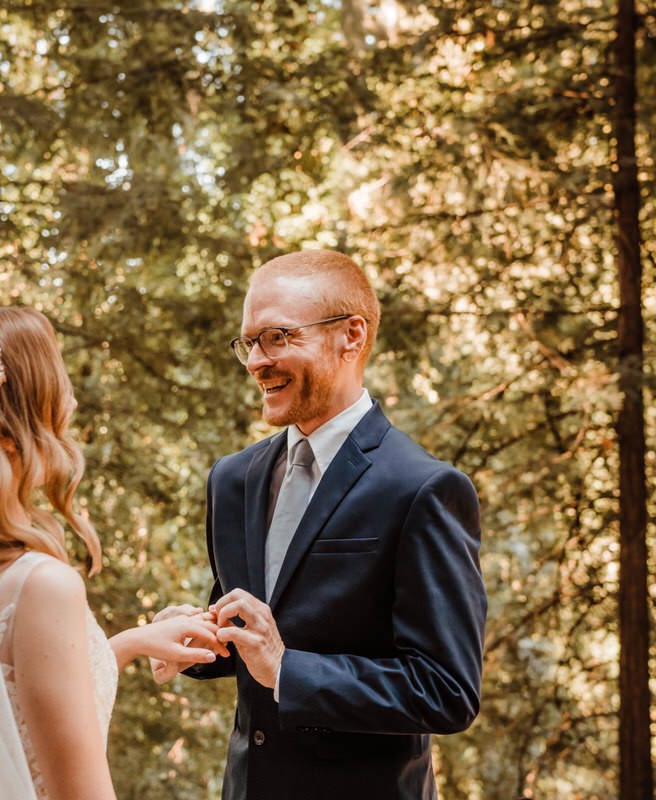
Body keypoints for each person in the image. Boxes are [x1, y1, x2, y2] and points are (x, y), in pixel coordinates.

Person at [0, 305, 228, 799]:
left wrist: (131, 643)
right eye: (57, 380)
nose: (69, 398)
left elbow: (2, 703)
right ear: (17, 424)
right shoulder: (40, 587)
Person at [152, 250, 487, 799]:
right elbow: (251, 635)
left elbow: (445, 690)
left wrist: (286, 668)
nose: (256, 361)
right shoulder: (231, 479)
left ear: (351, 336)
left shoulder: (423, 489)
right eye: (249, 343)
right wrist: (196, 639)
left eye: (277, 336)